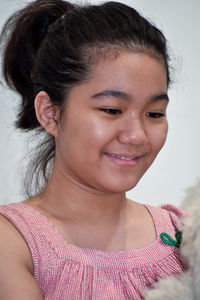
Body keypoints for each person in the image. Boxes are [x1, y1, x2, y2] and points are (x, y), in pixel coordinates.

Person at [0, 0, 187, 299]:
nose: (137, 136)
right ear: (50, 113)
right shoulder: (13, 244)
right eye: (112, 110)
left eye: (154, 113)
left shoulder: (184, 236)